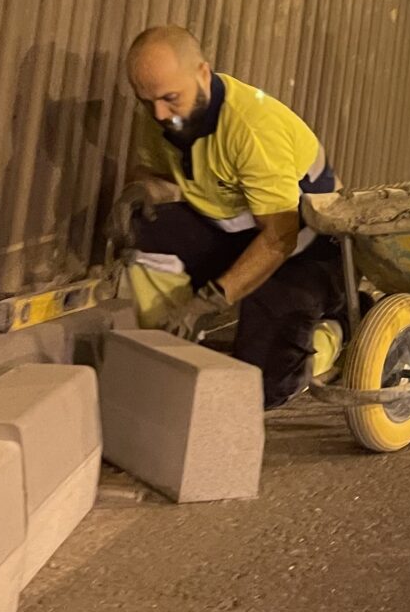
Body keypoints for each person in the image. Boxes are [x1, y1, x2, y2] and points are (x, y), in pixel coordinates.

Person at [119, 26, 343, 410]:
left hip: (307, 253)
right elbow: (159, 176)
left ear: (203, 74)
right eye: (147, 101)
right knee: (149, 226)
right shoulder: (167, 115)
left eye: (170, 99)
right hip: (237, 235)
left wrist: (208, 301)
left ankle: (335, 333)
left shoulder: (252, 128)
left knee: (258, 390)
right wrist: (143, 190)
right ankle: (169, 348)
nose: (159, 114)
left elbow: (280, 237)